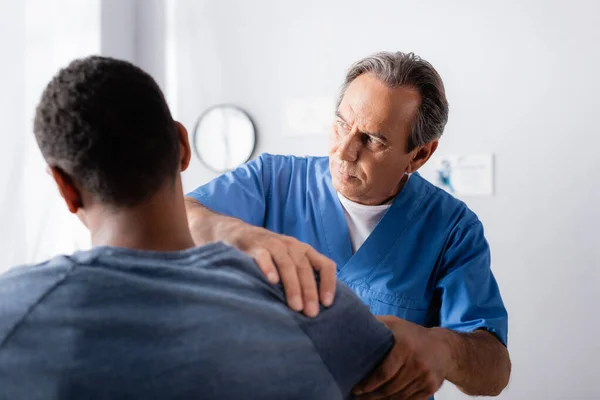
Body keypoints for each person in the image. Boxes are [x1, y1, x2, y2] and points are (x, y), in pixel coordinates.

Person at [0, 56, 394, 400]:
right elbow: (401, 368)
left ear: (65, 189)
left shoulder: (12, 312)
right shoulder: (312, 299)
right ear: (183, 146)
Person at [185, 51, 512, 399]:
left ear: (418, 156)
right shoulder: (273, 181)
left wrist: (444, 351)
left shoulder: (451, 229)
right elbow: (180, 216)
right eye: (342, 123)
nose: (344, 151)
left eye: (373, 140)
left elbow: (495, 370)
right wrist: (240, 234)